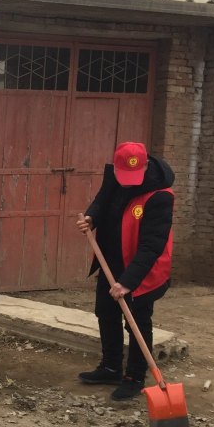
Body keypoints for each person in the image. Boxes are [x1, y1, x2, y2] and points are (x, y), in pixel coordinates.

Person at [76, 142, 174, 401]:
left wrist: (128, 282)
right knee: (106, 313)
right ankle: (110, 367)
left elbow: (152, 244)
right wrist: (91, 217)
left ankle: (134, 376)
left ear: (145, 167)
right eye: (124, 177)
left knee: (137, 322)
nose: (128, 183)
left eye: (134, 177)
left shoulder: (160, 196)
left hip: (142, 269)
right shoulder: (114, 178)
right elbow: (102, 201)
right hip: (111, 260)